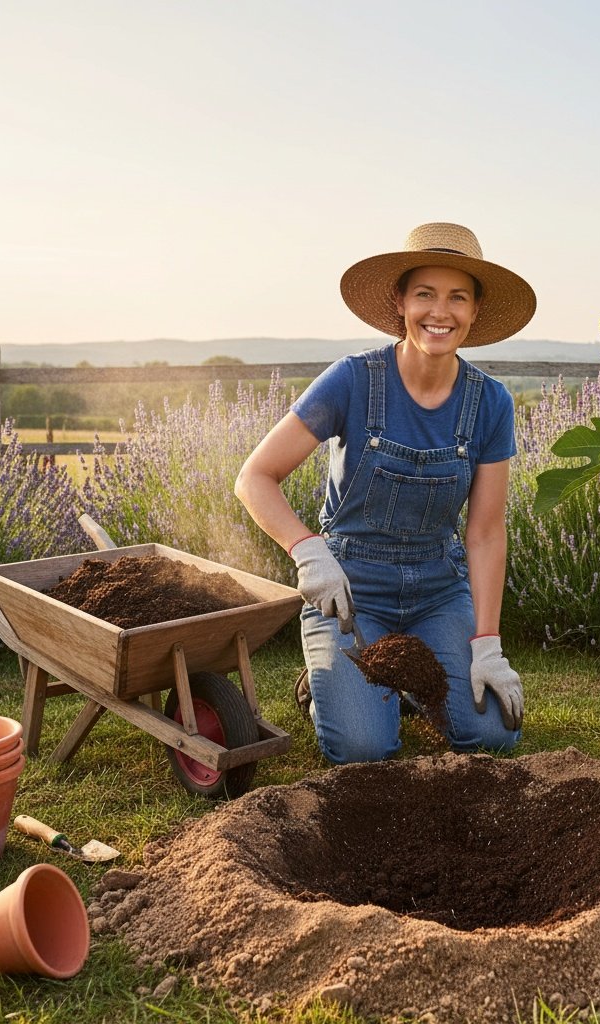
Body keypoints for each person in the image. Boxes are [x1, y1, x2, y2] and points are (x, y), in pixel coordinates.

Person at [234, 222, 536, 764]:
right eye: (425, 294)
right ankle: (333, 680)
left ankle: (403, 676)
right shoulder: (353, 380)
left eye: (456, 298)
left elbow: (487, 532)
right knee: (364, 747)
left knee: (493, 734)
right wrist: (308, 552)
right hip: (350, 589)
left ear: (474, 311)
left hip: (439, 590)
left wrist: (486, 644)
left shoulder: (490, 403)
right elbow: (254, 478)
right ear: (399, 301)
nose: (439, 312)